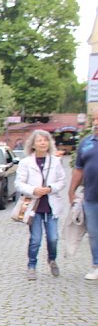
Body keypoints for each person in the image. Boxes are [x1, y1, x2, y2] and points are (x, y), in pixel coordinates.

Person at [15, 130, 66, 280]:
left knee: (53, 238)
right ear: (33, 144)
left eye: (45, 140)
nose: (43, 143)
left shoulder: (55, 162)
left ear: (49, 143)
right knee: (35, 238)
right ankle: (31, 265)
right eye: (39, 140)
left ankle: (52, 259)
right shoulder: (26, 163)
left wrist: (51, 188)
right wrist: (33, 190)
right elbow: (19, 183)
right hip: (34, 206)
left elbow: (62, 181)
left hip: (51, 205)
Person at [69, 114, 98, 279]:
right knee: (94, 233)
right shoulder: (86, 143)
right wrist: (71, 190)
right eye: (94, 120)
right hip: (91, 196)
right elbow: (79, 169)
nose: (96, 123)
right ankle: (96, 265)